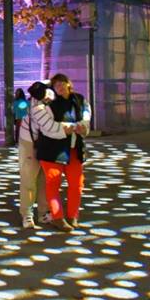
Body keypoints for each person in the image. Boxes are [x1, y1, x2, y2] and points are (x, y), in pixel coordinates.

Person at [29, 73, 91, 232]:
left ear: (68, 83)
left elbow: (86, 116)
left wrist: (83, 126)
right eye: (56, 86)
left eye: (62, 83)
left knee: (76, 185)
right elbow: (46, 127)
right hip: (52, 150)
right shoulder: (49, 105)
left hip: (74, 149)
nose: (60, 87)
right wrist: (67, 128)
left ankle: (73, 216)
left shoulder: (79, 99)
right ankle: (58, 218)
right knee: (53, 184)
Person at [17, 82, 50, 229]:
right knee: (29, 180)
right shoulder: (37, 107)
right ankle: (28, 214)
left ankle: (42, 213)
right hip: (30, 144)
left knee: (43, 180)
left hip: (42, 144)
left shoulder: (38, 104)